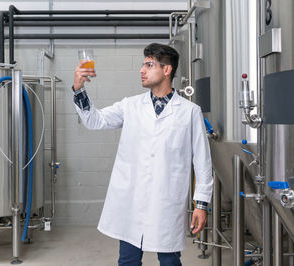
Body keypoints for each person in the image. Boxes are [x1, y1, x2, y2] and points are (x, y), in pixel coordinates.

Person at [72, 43, 213, 266]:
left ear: (167, 70)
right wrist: (79, 89)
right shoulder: (130, 106)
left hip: (166, 201)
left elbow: (203, 162)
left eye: (149, 65)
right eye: (142, 64)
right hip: (132, 202)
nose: (141, 70)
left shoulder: (189, 112)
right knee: (128, 260)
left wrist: (201, 205)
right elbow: (94, 120)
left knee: (169, 261)